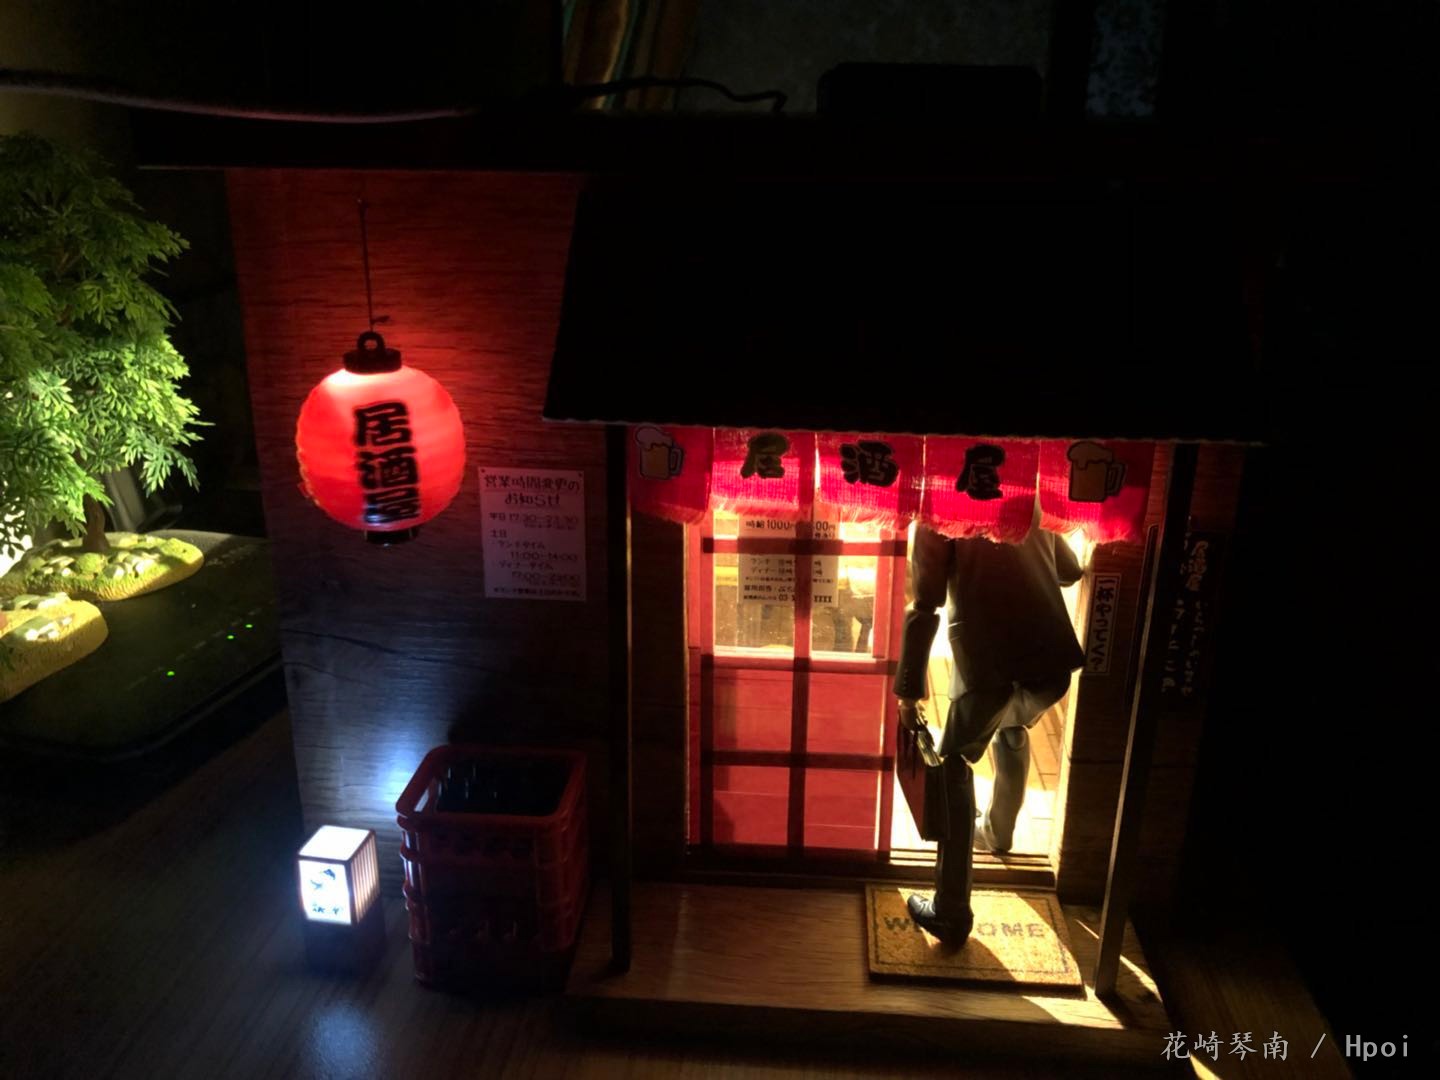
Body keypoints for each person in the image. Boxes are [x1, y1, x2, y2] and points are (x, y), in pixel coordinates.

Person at [894, 499, 1085, 942]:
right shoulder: (1027, 497)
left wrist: (908, 692)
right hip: (1050, 660)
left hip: (987, 662)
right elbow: (1070, 570)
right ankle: (999, 832)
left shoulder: (940, 507)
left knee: (954, 766)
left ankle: (950, 909)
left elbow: (925, 604)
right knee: (1012, 726)